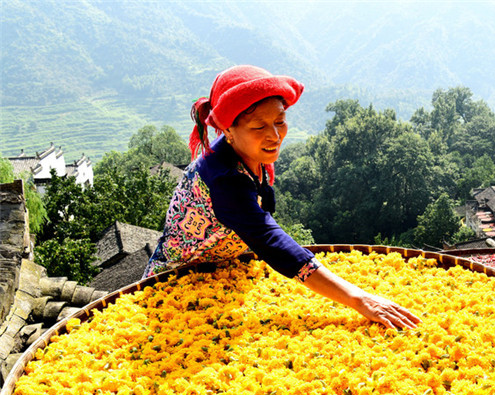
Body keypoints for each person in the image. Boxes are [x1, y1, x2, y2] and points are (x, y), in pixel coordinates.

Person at [144, 65, 419, 330]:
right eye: (258, 126)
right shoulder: (224, 179)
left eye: (279, 121)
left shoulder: (250, 151)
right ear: (228, 129)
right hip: (178, 286)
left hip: (227, 273)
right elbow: (270, 240)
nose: (274, 136)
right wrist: (360, 299)